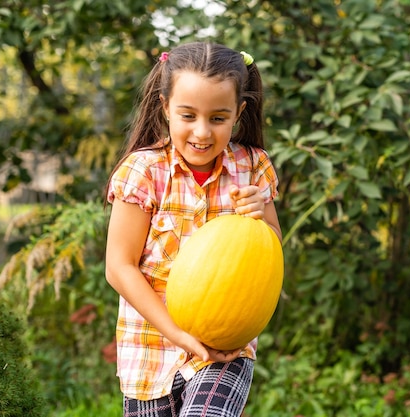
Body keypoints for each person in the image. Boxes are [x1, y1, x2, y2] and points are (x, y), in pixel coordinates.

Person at [104, 42, 281, 417]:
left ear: (238, 113)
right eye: (188, 115)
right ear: (165, 107)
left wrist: (261, 218)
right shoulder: (144, 172)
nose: (202, 132)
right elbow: (119, 267)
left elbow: (273, 252)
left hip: (226, 346)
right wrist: (180, 335)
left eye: (218, 118)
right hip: (150, 351)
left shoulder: (252, 167)